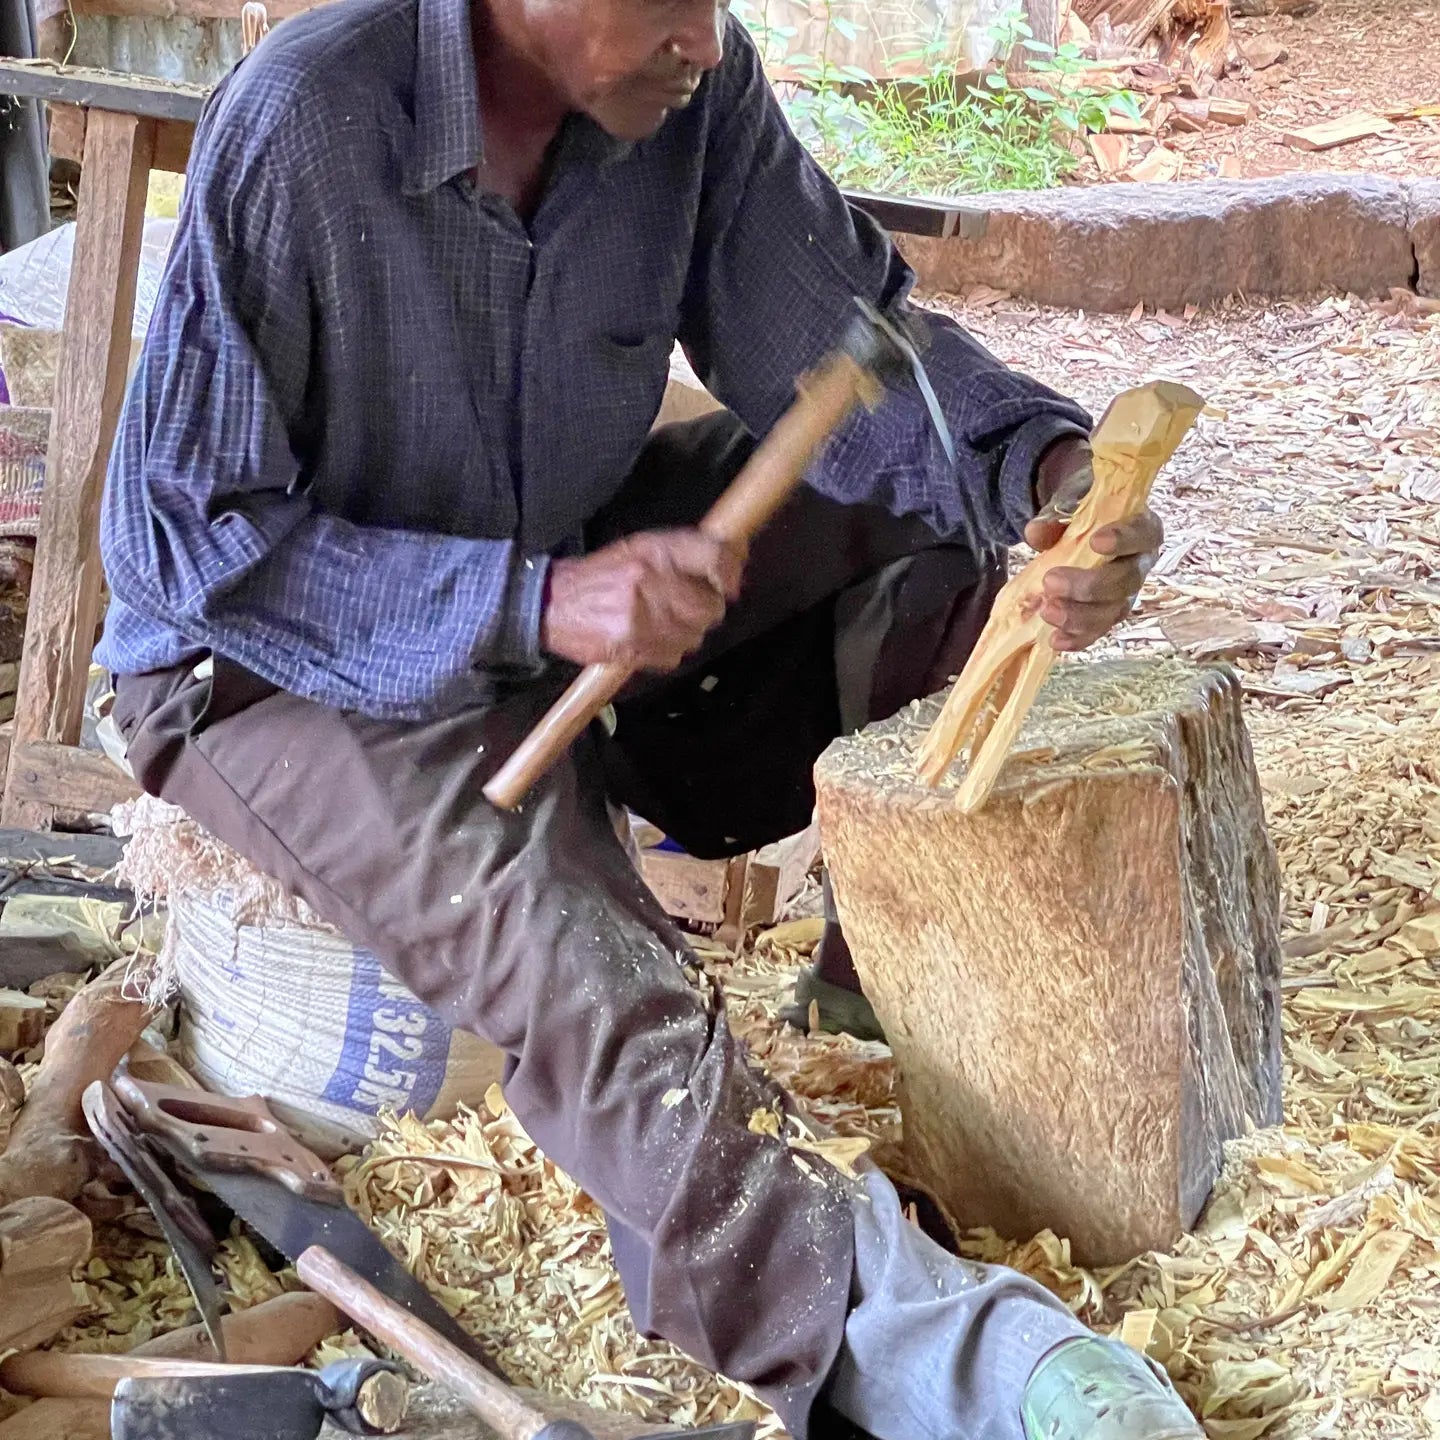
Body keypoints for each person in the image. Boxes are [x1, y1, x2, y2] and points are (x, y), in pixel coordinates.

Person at [95, 2, 1203, 1437]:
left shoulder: (689, 88)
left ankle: (877, 969)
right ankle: (940, 1350)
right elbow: (184, 537)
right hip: (277, 660)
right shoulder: (310, 115)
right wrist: (538, 606)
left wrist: (1044, 473)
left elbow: (850, 352)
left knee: (925, 517)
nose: (705, 32)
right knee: (576, 957)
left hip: (554, 562)